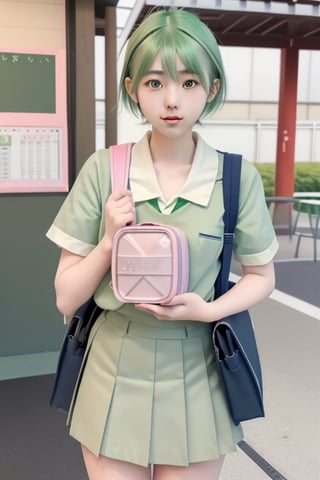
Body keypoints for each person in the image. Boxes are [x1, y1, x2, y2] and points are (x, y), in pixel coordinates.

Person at [46, 8, 278, 480]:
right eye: (154, 83)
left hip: (200, 365)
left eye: (189, 82)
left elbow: (262, 277)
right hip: (113, 363)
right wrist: (109, 242)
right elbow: (67, 299)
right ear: (132, 88)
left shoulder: (236, 178)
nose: (172, 99)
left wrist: (209, 311)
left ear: (212, 89)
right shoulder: (102, 170)